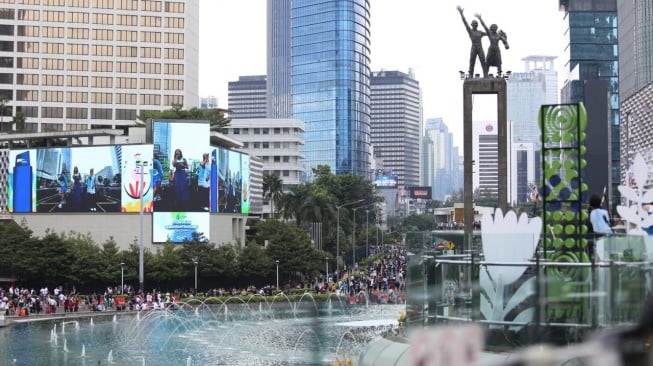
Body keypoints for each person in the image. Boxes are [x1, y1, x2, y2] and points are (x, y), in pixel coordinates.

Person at [457, 6, 487, 78]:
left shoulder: (480, 32)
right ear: (471, 25)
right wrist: (461, 13)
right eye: (474, 23)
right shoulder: (470, 31)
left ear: (477, 25)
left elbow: (489, 33)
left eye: (476, 23)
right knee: (472, 62)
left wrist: (497, 33)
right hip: (473, 48)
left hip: (480, 48)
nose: (475, 24)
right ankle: (471, 74)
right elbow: (465, 22)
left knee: (483, 61)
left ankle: (486, 74)